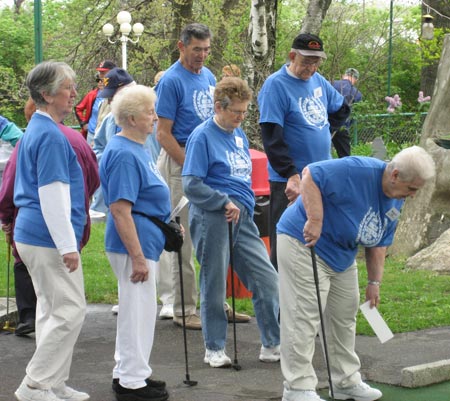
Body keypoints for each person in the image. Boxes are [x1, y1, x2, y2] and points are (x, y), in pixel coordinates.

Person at [276, 146, 436, 401]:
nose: (414, 196)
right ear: (395, 175)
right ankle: (297, 388)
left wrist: (374, 282)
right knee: (303, 315)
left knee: (344, 315)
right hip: (303, 242)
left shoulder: (397, 197)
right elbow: (310, 174)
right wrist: (315, 219)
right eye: (412, 189)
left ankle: (344, 382)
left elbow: (379, 242)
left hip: (342, 254)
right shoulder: (356, 170)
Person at [182, 77, 280, 367]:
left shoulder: (239, 135)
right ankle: (214, 348)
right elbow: (191, 183)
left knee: (267, 278)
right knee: (213, 281)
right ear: (219, 107)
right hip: (214, 215)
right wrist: (221, 201)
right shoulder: (202, 136)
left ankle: (272, 344)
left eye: (244, 111)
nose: (240, 117)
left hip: (244, 216)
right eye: (236, 111)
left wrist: (241, 203)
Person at [12, 61, 89, 401]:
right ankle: (35, 385)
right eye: (67, 88)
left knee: (51, 311)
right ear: (46, 94)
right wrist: (67, 246)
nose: (74, 93)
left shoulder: (38, 130)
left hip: (34, 235)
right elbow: (53, 194)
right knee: (71, 311)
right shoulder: (51, 136)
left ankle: (53, 383)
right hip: (46, 237)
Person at [0, 97, 99, 338]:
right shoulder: (65, 138)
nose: (74, 95)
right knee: (65, 310)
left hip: (45, 231)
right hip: (59, 229)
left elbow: (11, 184)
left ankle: (27, 320)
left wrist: (6, 217)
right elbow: (93, 178)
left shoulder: (35, 136)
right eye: (69, 90)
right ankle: (41, 376)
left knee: (58, 308)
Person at [100, 84, 169, 401]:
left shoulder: (134, 147)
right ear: (130, 118)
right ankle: (131, 382)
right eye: (149, 112)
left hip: (143, 241)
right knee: (136, 314)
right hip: (133, 247)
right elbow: (119, 209)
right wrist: (138, 257)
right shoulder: (125, 154)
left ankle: (132, 373)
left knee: (138, 312)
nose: (154, 117)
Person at [257, 33, 350, 271]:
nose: (311, 67)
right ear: (292, 56)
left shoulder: (318, 81)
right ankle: (279, 306)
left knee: (318, 238)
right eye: (306, 60)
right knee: (286, 245)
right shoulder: (276, 85)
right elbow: (271, 136)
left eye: (316, 61)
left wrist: (327, 131)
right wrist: (290, 173)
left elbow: (342, 109)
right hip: (289, 182)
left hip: (320, 176)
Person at [154, 22, 215, 329]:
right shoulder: (170, 81)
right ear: (181, 46)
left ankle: (214, 305)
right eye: (196, 50)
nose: (201, 55)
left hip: (207, 165)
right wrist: (190, 167)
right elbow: (163, 134)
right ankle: (184, 309)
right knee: (186, 240)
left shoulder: (209, 77)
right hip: (180, 163)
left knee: (210, 238)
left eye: (206, 49)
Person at [90, 67, 135, 217]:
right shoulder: (110, 119)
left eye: (112, 96)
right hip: (113, 194)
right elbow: (99, 147)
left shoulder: (149, 120)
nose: (109, 101)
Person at [75, 60, 116, 141]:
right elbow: (78, 108)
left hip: (110, 135)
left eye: (103, 73)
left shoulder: (119, 93)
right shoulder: (92, 94)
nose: (101, 76)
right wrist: (83, 123)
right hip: (92, 134)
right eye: (100, 73)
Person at [330, 67, 363, 158]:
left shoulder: (331, 84)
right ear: (355, 79)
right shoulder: (357, 94)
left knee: (323, 154)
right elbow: (353, 115)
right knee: (345, 156)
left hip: (326, 125)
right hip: (342, 127)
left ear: (344, 75)